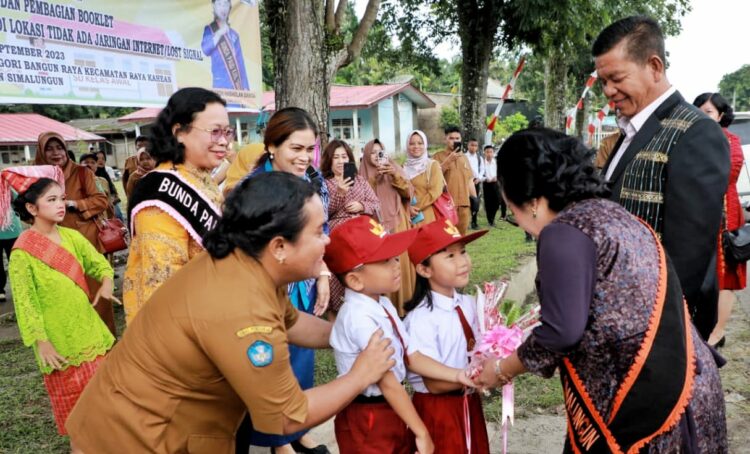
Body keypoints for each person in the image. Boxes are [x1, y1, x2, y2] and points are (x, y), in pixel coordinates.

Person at [66, 172, 396, 454]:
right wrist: (360, 375)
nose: (326, 240)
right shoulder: (242, 308)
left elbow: (292, 323)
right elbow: (286, 416)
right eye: (318, 231)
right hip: (133, 439)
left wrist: (355, 335)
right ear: (279, 247)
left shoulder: (248, 262)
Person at [478, 128, 727, 453]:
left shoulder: (562, 232)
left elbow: (562, 332)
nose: (519, 221)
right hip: (687, 384)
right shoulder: (613, 214)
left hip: (642, 407)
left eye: (513, 212)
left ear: (534, 202)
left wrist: (500, 369)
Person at [594, 16, 730, 339]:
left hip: (655, 332)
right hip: (617, 319)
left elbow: (688, 257)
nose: (608, 91)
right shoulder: (630, 131)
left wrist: (655, 332)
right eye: (602, 81)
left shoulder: (697, 132)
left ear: (654, 67)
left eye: (615, 78)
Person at [325, 216, 477, 454]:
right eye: (386, 260)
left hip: (391, 407)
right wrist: (421, 432)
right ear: (355, 280)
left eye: (395, 257)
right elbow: (388, 383)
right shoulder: (358, 317)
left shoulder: (383, 304)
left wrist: (460, 375)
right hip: (368, 415)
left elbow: (413, 357)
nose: (397, 264)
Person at [237, 107, 332, 454]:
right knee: (271, 359)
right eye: (296, 148)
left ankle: (297, 429)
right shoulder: (251, 189)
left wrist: (322, 273)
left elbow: (323, 230)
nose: (304, 157)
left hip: (303, 283)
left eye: (310, 149)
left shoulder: (315, 182)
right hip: (264, 289)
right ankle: (278, 441)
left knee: (301, 356)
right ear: (272, 146)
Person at [1, 167, 116, 452]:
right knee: (78, 421)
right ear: (31, 207)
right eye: (51, 200)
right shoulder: (22, 252)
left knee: (105, 411)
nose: (61, 205)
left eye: (61, 198)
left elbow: (99, 265)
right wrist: (42, 342)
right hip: (60, 346)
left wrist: (107, 282)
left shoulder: (73, 237)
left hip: (91, 336)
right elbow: (26, 303)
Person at [124, 87, 226, 325]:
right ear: (179, 132)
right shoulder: (161, 192)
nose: (224, 142)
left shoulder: (200, 178)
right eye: (214, 132)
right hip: (183, 333)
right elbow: (162, 287)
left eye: (227, 132)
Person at [404, 219, 490, 454]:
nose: (462, 262)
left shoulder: (470, 304)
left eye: (462, 252)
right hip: (438, 410)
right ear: (424, 269)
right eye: (449, 257)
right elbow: (433, 384)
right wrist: (473, 378)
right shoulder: (422, 318)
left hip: (469, 403)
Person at [34, 132, 115, 336]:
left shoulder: (82, 173)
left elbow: (101, 200)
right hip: (52, 246)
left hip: (86, 243)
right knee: (66, 297)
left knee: (97, 294)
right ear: (41, 152)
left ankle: (109, 345)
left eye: (59, 147)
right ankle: (82, 345)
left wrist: (74, 204)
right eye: (49, 149)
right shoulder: (36, 178)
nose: (56, 153)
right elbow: (29, 213)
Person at [694, 92, 746, 348]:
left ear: (721, 115)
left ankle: (718, 332)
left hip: (726, 213)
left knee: (726, 276)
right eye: (699, 111)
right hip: (695, 214)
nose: (703, 117)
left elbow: (729, 172)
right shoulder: (688, 139)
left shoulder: (731, 140)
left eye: (709, 113)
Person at [321, 139, 380, 312]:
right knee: (341, 273)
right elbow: (323, 212)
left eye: (344, 156)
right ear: (329, 161)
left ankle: (368, 304)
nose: (341, 161)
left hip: (361, 231)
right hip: (338, 235)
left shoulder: (360, 180)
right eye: (336, 157)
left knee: (366, 269)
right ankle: (340, 310)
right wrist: (339, 194)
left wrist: (362, 206)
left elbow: (376, 203)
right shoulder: (324, 183)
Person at [359, 139, 415, 315]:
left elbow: (409, 192)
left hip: (398, 223)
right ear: (367, 156)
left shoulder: (394, 167)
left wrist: (394, 175)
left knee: (402, 267)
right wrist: (374, 179)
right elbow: (361, 196)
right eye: (373, 153)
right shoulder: (361, 174)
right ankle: (387, 311)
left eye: (380, 152)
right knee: (383, 268)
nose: (377, 156)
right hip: (375, 229)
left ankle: (406, 307)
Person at [432, 126, 476, 235]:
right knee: (447, 239)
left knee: (461, 240)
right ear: (445, 139)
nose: (455, 141)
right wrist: (448, 161)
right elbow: (434, 177)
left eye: (457, 138)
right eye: (451, 138)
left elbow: (469, 180)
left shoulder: (464, 158)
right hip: (446, 206)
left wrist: (475, 199)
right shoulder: (437, 156)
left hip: (464, 205)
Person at [201, 0, 250, 91]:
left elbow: (240, 62)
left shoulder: (234, 34)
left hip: (236, 86)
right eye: (219, 4)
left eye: (225, 4)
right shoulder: (210, 29)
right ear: (214, 6)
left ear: (230, 7)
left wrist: (245, 86)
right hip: (220, 84)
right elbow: (205, 50)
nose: (223, 8)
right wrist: (219, 34)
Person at [404, 130, 443, 228]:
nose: (416, 146)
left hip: (427, 217)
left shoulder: (432, 165)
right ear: (407, 146)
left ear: (425, 145)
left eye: (420, 143)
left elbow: (435, 192)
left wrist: (414, 208)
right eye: (412, 143)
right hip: (406, 219)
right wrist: (407, 209)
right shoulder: (402, 168)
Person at [0, 197, 21, 302]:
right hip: (11, 229)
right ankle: (0, 291)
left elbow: (18, 198)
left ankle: (20, 289)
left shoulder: (7, 184)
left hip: (12, 229)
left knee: (15, 262)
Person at [481, 145, 503, 226]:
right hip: (486, 184)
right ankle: (490, 220)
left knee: (497, 202)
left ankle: (492, 218)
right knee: (488, 203)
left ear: (493, 153)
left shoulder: (496, 162)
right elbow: (480, 174)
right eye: (487, 152)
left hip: (495, 183)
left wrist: (496, 177)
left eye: (491, 152)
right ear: (484, 153)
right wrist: (486, 178)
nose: (489, 154)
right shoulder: (482, 162)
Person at [466, 138, 483, 230]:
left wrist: (479, 178)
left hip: (475, 181)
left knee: (475, 202)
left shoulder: (479, 157)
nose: (473, 147)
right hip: (466, 182)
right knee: (467, 201)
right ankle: (466, 221)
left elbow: (482, 169)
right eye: (471, 145)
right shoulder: (464, 157)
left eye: (475, 146)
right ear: (468, 145)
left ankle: (474, 222)